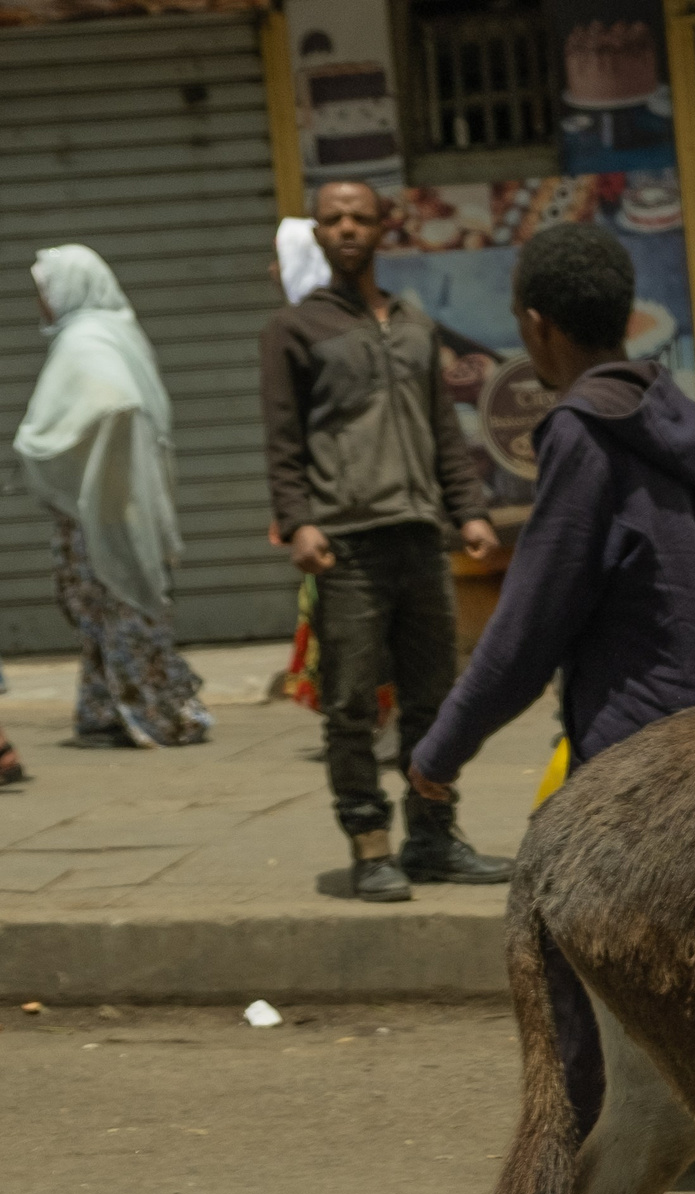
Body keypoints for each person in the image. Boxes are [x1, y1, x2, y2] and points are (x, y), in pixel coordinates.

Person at [419, 221, 695, 1194]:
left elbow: (527, 629)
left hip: (640, 774)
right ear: (626, 317)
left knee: (545, 936)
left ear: (537, 329)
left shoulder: (584, 438)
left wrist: (438, 752)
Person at [259, 180, 510, 904]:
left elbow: (443, 431)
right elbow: (281, 439)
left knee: (434, 698)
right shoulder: (293, 330)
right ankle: (370, 844)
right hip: (345, 545)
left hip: (420, 539)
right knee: (351, 705)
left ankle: (433, 836)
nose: (345, 228)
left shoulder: (412, 324)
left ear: (381, 229)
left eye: (358, 218)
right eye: (332, 219)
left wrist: (470, 512)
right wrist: (298, 520)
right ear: (317, 232)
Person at [13, 245, 214, 750]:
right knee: (107, 609)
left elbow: (111, 404)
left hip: (100, 509)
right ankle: (102, 712)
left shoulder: (86, 342)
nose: (41, 302)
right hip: (120, 502)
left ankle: (160, 712)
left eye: (45, 290)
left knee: (116, 603)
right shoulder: (118, 333)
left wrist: (50, 444)